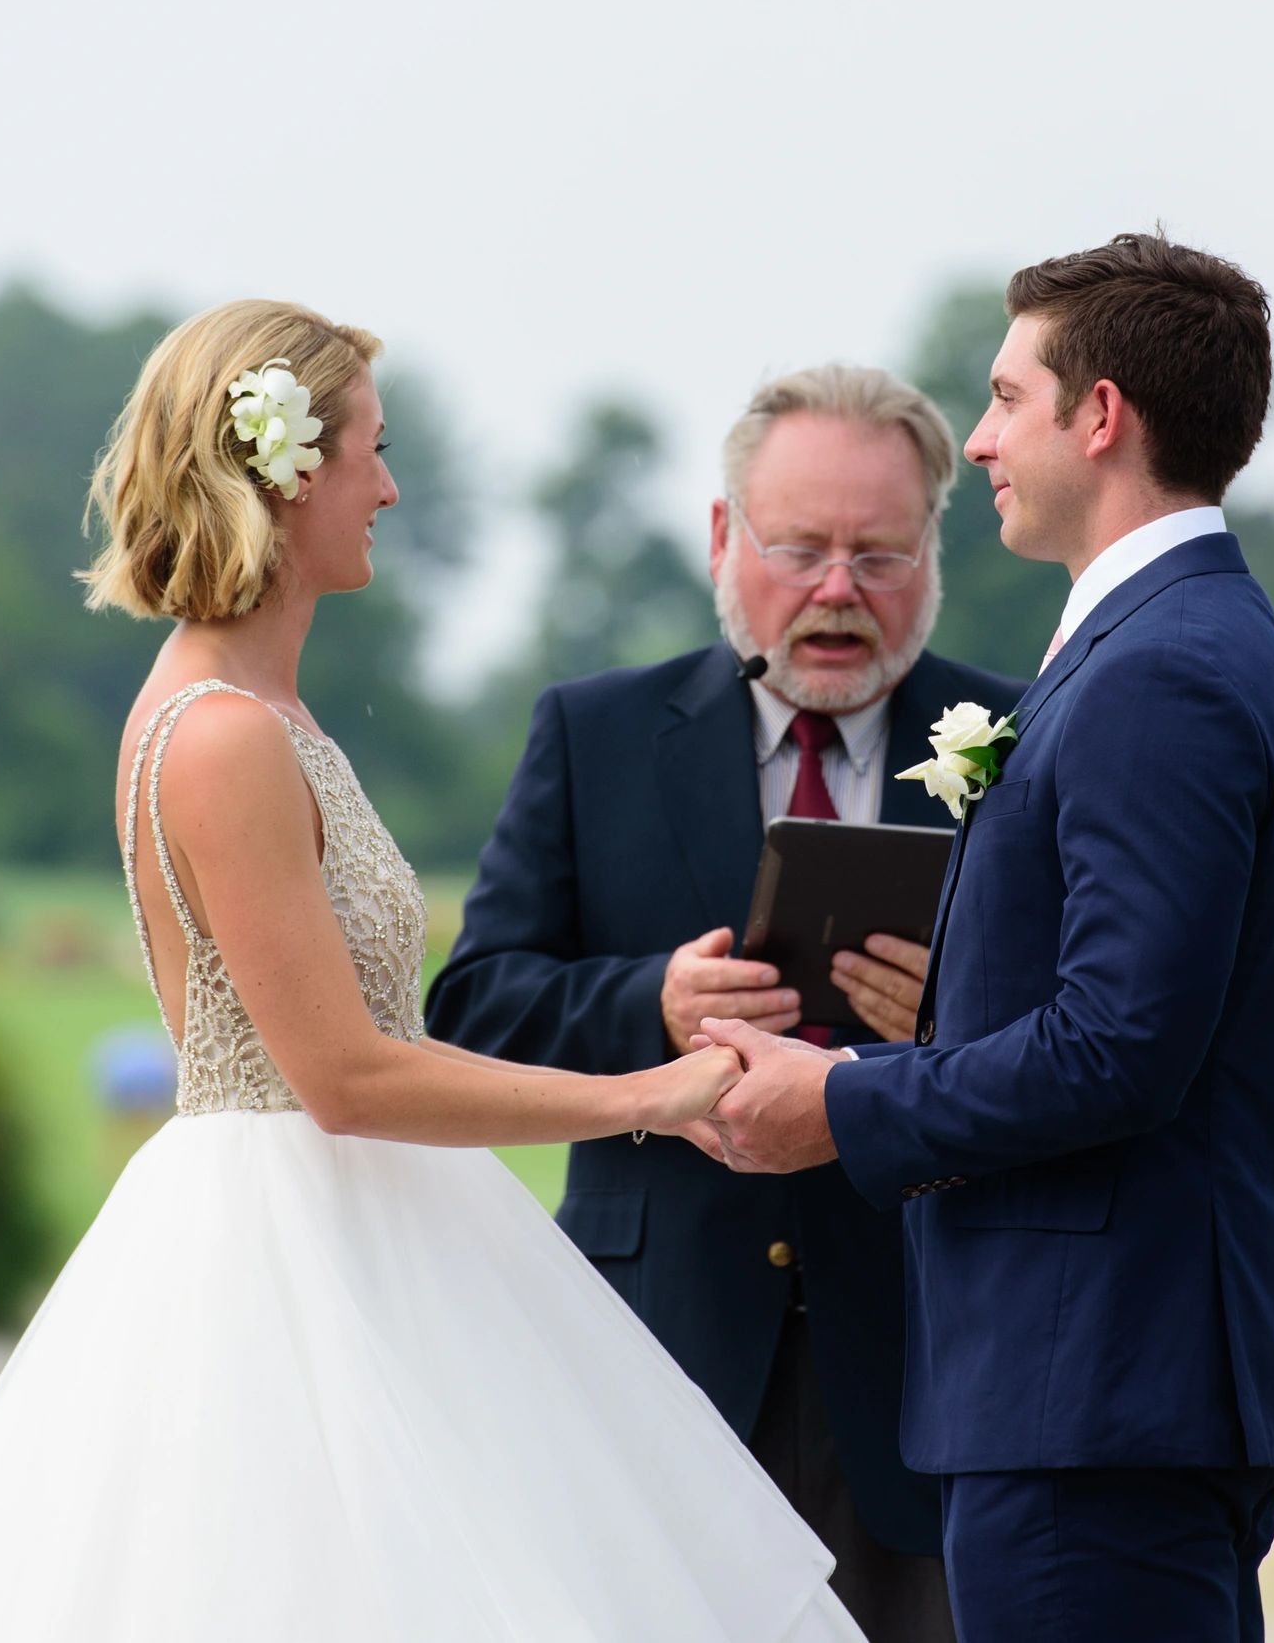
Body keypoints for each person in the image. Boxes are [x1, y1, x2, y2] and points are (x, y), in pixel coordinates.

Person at [0, 299, 865, 1642]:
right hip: (283, 1265)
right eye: (372, 454)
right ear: (286, 474)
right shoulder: (221, 736)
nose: (390, 488)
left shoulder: (270, 713)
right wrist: (653, 1095)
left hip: (379, 1231)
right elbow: (343, 1074)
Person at [696, 235, 1274, 1643]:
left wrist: (843, 1097)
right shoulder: (1182, 641)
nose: (978, 439)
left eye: (1004, 397)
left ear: (1098, 416)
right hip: (1120, 1384)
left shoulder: (1159, 670)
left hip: (1097, 1392)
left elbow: (1119, 1046)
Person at [427, 364, 1024, 1642]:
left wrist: (961, 1004)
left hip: (929, 1364)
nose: (836, 591)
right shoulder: (592, 733)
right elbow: (473, 1004)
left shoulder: (1022, 736)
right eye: (800, 547)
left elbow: (1085, 1038)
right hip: (661, 1356)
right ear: (721, 537)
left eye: (879, 553)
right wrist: (655, 1002)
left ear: (934, 550)